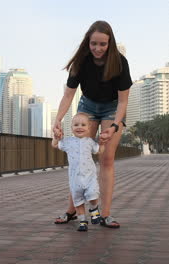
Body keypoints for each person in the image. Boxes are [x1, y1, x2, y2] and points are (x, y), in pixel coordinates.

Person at [53, 20, 132, 228]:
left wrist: (114, 126)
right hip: (87, 105)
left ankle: (105, 214)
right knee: (79, 157)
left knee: (106, 159)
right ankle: (72, 211)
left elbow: (123, 101)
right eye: (93, 43)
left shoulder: (120, 63)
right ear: (88, 42)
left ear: (110, 44)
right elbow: (68, 94)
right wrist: (58, 119)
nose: (97, 48)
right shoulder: (81, 62)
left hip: (112, 108)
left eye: (102, 44)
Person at [52, 113, 105, 231]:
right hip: (75, 179)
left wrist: (102, 143)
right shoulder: (67, 141)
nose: (79, 127)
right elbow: (55, 145)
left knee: (93, 195)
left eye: (83, 125)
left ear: (88, 127)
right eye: (76, 125)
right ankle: (82, 221)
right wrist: (56, 137)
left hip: (89, 177)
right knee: (78, 201)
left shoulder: (90, 142)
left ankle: (94, 209)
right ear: (71, 128)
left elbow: (99, 151)